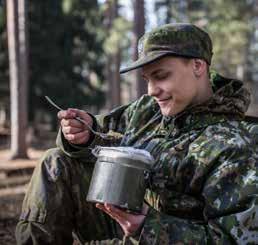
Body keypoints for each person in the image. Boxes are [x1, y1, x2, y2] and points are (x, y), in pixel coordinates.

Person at [16, 23, 258, 244]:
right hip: (119, 225)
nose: (152, 90)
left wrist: (147, 227)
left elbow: (235, 240)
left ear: (198, 66)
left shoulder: (238, 144)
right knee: (55, 161)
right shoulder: (147, 110)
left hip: (160, 238)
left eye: (161, 76)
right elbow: (102, 132)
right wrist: (82, 133)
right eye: (147, 79)